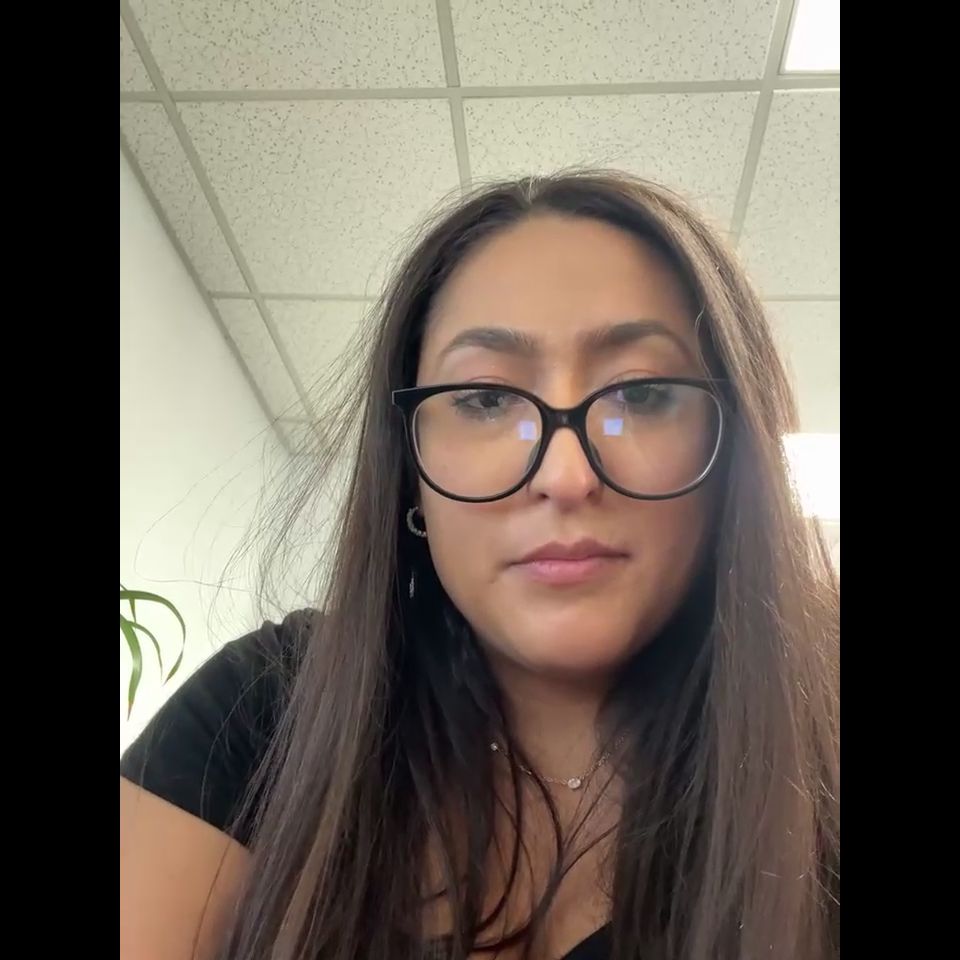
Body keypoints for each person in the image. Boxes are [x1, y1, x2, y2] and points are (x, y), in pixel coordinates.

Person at [120, 171, 840, 960]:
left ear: (732, 448)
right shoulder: (270, 707)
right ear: (411, 472)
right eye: (486, 400)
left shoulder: (822, 749)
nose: (566, 475)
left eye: (639, 393)